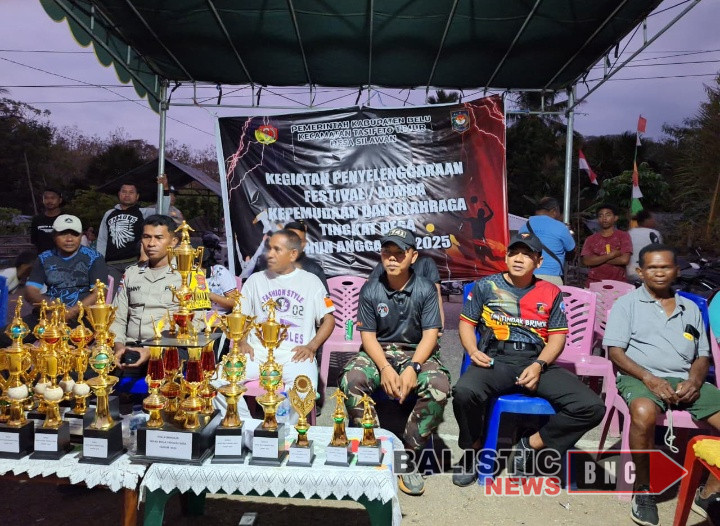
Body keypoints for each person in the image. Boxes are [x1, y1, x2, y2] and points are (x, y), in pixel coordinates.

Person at [451, 232, 605, 487]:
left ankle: (530, 444)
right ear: (506, 257)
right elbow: (466, 324)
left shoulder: (551, 292)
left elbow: (557, 338)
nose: (519, 259)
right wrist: (472, 350)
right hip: (496, 360)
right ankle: (473, 449)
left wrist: (539, 365)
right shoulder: (485, 286)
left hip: (535, 361)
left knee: (591, 406)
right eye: (514, 253)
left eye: (527, 254)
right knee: (464, 392)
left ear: (539, 262)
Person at [605, 243, 720, 526]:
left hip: (684, 380)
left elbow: (702, 355)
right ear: (640, 271)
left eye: (665, 267)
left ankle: (709, 491)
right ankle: (643, 489)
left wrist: (695, 381)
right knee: (643, 411)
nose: (659, 273)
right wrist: (650, 379)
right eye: (652, 267)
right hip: (639, 376)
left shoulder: (690, 308)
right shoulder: (626, 305)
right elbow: (615, 352)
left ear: (677, 270)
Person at [340, 227, 451, 497]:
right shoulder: (371, 289)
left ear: (413, 256)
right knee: (351, 380)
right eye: (386, 252)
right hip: (379, 353)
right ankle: (372, 447)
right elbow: (368, 336)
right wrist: (385, 367)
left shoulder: (425, 289)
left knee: (438, 386)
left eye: (399, 253)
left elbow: (430, 335)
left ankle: (407, 457)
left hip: (417, 353)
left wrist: (413, 367)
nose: (392, 258)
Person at [233, 229, 335, 422]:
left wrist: (312, 346)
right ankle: (247, 426)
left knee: (304, 389)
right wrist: (242, 341)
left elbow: (329, 319)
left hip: (294, 354)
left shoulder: (311, 282)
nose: (269, 254)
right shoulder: (255, 281)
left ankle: (283, 432)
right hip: (256, 352)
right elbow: (241, 316)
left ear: (293, 254)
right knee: (218, 381)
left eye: (277, 249)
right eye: (269, 248)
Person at [0, 215, 108, 347]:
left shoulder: (94, 258)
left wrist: (70, 312)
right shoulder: (44, 258)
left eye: (74, 234)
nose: (69, 239)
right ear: (54, 236)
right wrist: (53, 307)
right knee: (4, 336)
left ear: (81, 236)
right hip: (46, 315)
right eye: (63, 234)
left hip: (80, 319)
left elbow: (99, 293)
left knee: (61, 347)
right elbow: (30, 290)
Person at [111, 215, 185, 376]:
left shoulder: (187, 276)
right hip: (130, 347)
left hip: (169, 349)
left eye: (159, 238)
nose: (151, 243)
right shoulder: (132, 273)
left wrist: (151, 350)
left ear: (173, 241)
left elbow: (194, 323)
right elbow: (117, 317)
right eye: (146, 237)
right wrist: (119, 347)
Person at [97, 176, 171, 289]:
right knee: (109, 295)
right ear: (119, 194)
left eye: (131, 192)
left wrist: (165, 188)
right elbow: (102, 239)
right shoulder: (109, 213)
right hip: (112, 264)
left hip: (134, 262)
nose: (127, 195)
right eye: (124, 192)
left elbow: (162, 211)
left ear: (137, 196)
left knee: (134, 293)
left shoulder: (143, 213)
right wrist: (99, 262)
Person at [369, 253, 445, 332]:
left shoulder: (426, 263)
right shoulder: (383, 266)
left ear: (413, 254)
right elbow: (369, 295)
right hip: (389, 327)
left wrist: (440, 326)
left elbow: (436, 296)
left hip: (420, 326)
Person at [519, 197, 575, 286]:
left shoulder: (525, 226)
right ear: (554, 211)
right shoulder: (560, 227)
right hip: (551, 277)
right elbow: (571, 252)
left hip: (527, 276)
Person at [581, 204, 632, 285]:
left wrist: (597, 259)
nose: (604, 218)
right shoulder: (590, 239)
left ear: (615, 218)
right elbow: (587, 261)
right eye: (600, 215)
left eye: (608, 215)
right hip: (594, 283)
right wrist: (611, 255)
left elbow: (624, 260)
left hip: (618, 284)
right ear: (598, 219)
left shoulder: (623, 236)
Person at [626, 210, 662, 283]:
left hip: (629, 273)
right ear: (647, 220)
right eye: (653, 219)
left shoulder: (628, 233)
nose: (654, 221)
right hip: (648, 274)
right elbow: (661, 254)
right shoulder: (654, 233)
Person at [30, 188, 63, 253]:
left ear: (60, 200)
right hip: (42, 257)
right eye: (46, 198)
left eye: (53, 198)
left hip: (63, 257)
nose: (49, 201)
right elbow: (34, 241)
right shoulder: (37, 219)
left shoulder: (66, 218)